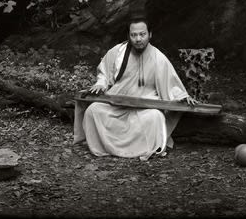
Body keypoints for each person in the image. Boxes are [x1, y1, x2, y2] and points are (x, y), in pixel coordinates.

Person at [81, 16, 198, 159]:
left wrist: (182, 96)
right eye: (133, 35)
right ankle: (105, 148)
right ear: (129, 36)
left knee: (155, 117)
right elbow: (104, 73)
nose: (138, 39)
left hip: (143, 109)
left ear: (150, 34)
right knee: (93, 111)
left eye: (142, 34)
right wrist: (101, 83)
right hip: (116, 106)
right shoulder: (118, 52)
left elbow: (171, 84)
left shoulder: (158, 58)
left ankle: (139, 150)